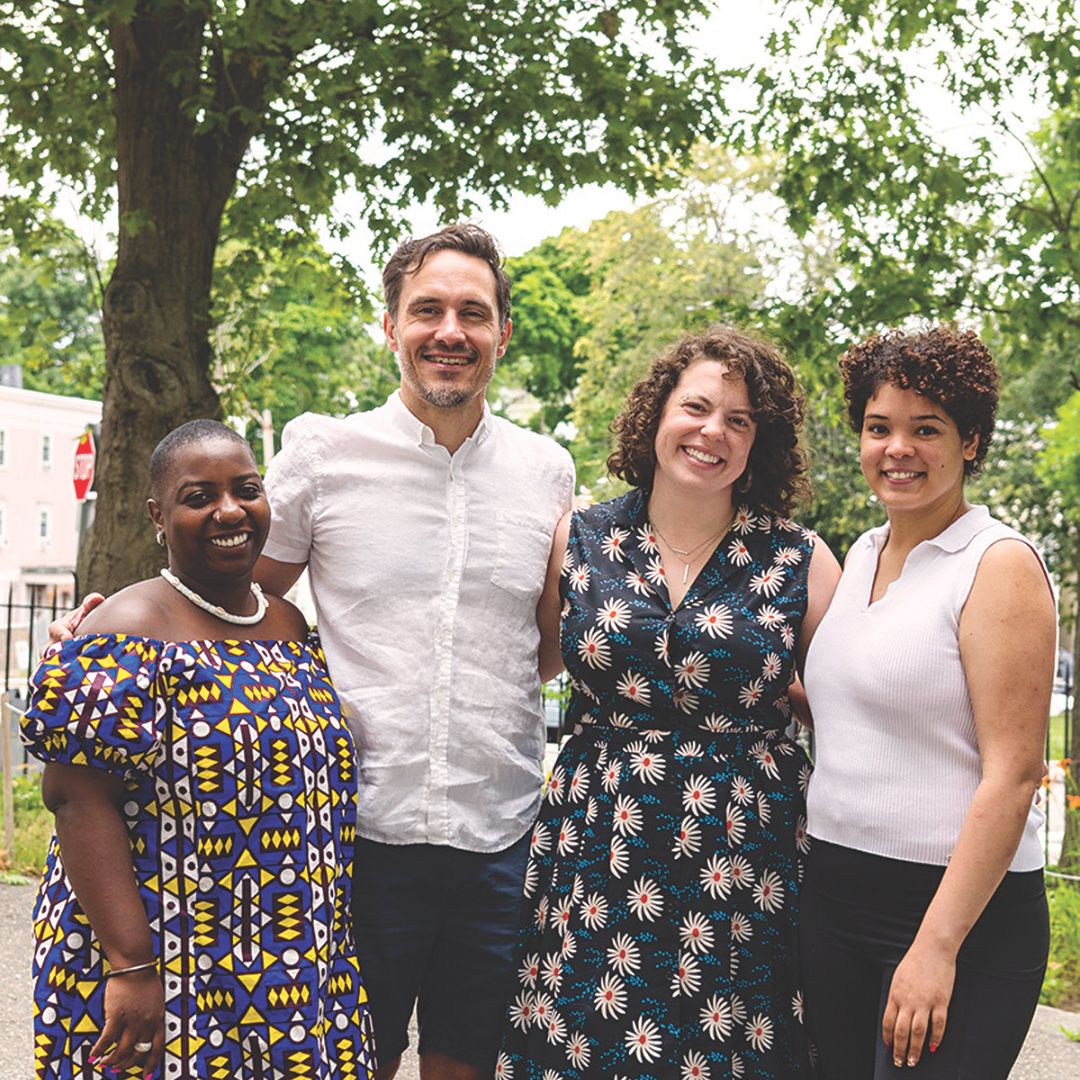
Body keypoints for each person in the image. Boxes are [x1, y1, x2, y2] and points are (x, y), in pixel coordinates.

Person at [252, 224, 575, 1080]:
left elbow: (543, 649)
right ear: (389, 326)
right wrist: (118, 627)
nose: (451, 331)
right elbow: (242, 602)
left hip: (500, 835)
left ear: (502, 333)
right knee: (347, 1063)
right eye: (426, 309)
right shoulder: (323, 453)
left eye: (474, 313)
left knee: (467, 1062)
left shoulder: (547, 471)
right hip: (357, 831)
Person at [497, 326, 840, 1079]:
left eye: (740, 420)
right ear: (656, 415)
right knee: (595, 1041)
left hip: (746, 852)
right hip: (603, 843)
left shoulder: (800, 558)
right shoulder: (580, 538)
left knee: (733, 1048)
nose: (712, 431)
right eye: (696, 407)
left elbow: (846, 709)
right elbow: (531, 661)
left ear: (760, 444)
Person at [23, 420, 375, 1080]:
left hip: (287, 959)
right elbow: (74, 798)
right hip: (162, 956)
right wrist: (130, 963)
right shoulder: (124, 630)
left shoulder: (287, 624)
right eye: (198, 497)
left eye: (246, 489)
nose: (230, 511)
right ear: (158, 515)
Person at [800, 327, 1055, 1078]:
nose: (897, 448)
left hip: (956, 915)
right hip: (836, 898)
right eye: (879, 428)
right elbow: (853, 712)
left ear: (971, 441)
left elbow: (1013, 775)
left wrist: (935, 947)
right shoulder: (862, 555)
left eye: (927, 429)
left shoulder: (996, 564)